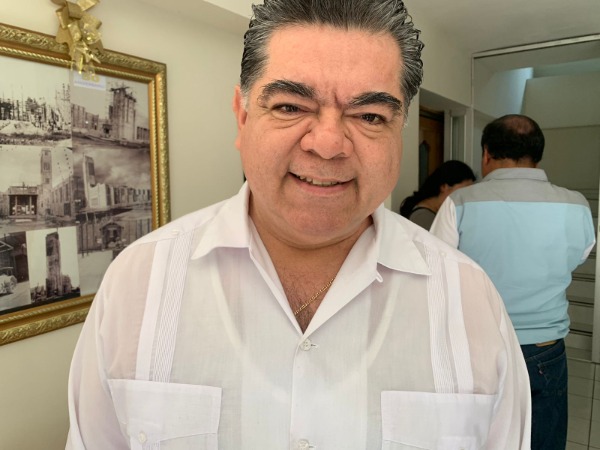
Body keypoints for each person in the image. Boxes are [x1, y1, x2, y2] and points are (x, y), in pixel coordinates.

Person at [65, 2, 531, 449]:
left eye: (369, 116)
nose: (327, 145)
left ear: (399, 132)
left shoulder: (470, 300)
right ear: (242, 116)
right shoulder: (138, 283)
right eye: (290, 106)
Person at [430, 114, 595, 450]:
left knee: (478, 439)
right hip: (545, 348)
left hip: (478, 344)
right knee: (544, 441)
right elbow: (579, 255)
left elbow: (436, 268)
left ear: (486, 153)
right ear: (538, 155)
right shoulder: (577, 205)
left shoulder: (459, 204)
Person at [399, 159, 475, 230]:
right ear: (444, 186)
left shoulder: (436, 214)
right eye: (463, 190)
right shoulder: (423, 217)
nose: (466, 196)